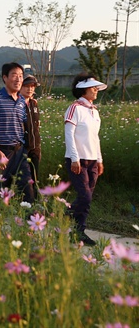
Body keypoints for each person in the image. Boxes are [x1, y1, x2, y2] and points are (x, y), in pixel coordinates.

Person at [64, 73, 107, 246]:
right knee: (85, 197)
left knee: (87, 198)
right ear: (83, 90)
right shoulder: (74, 108)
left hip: (93, 161)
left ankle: (78, 231)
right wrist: (74, 158)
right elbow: (69, 134)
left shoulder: (94, 111)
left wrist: (99, 159)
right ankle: (64, 216)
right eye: (93, 87)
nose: (96, 90)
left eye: (97, 87)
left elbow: (95, 137)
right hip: (78, 160)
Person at [0, 62, 35, 203]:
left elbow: (22, 126)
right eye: (14, 75)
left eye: (20, 76)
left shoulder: (21, 101)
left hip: (19, 152)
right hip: (1, 151)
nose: (18, 79)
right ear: (5, 78)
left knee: (26, 188)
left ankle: (28, 220)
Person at [20, 75, 41, 184]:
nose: (30, 89)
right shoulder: (16, 103)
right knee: (23, 177)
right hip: (22, 147)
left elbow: (37, 125)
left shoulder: (34, 103)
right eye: (26, 86)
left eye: (32, 86)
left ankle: (35, 199)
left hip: (35, 146)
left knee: (35, 177)